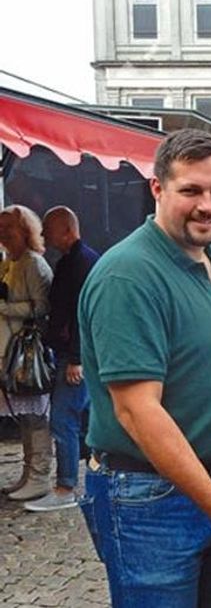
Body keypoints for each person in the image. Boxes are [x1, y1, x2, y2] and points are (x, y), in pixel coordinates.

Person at [78, 128, 211, 607]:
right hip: (147, 497)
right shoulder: (129, 275)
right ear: (158, 188)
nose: (207, 206)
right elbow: (136, 411)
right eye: (191, 190)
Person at [23, 207, 100, 512]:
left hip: (75, 354)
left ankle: (66, 486)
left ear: (67, 230)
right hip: (72, 352)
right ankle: (91, 477)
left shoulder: (80, 263)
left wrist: (77, 358)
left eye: (49, 229)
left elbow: (84, 313)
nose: (44, 235)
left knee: (63, 418)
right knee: (82, 417)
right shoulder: (74, 261)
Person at [0, 205, 54, 502]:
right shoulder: (10, 261)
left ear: (24, 230)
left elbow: (41, 306)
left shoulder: (33, 264)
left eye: (8, 227)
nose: (3, 233)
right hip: (8, 352)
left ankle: (39, 476)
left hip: (26, 354)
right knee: (22, 417)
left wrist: (5, 308)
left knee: (34, 415)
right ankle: (28, 473)